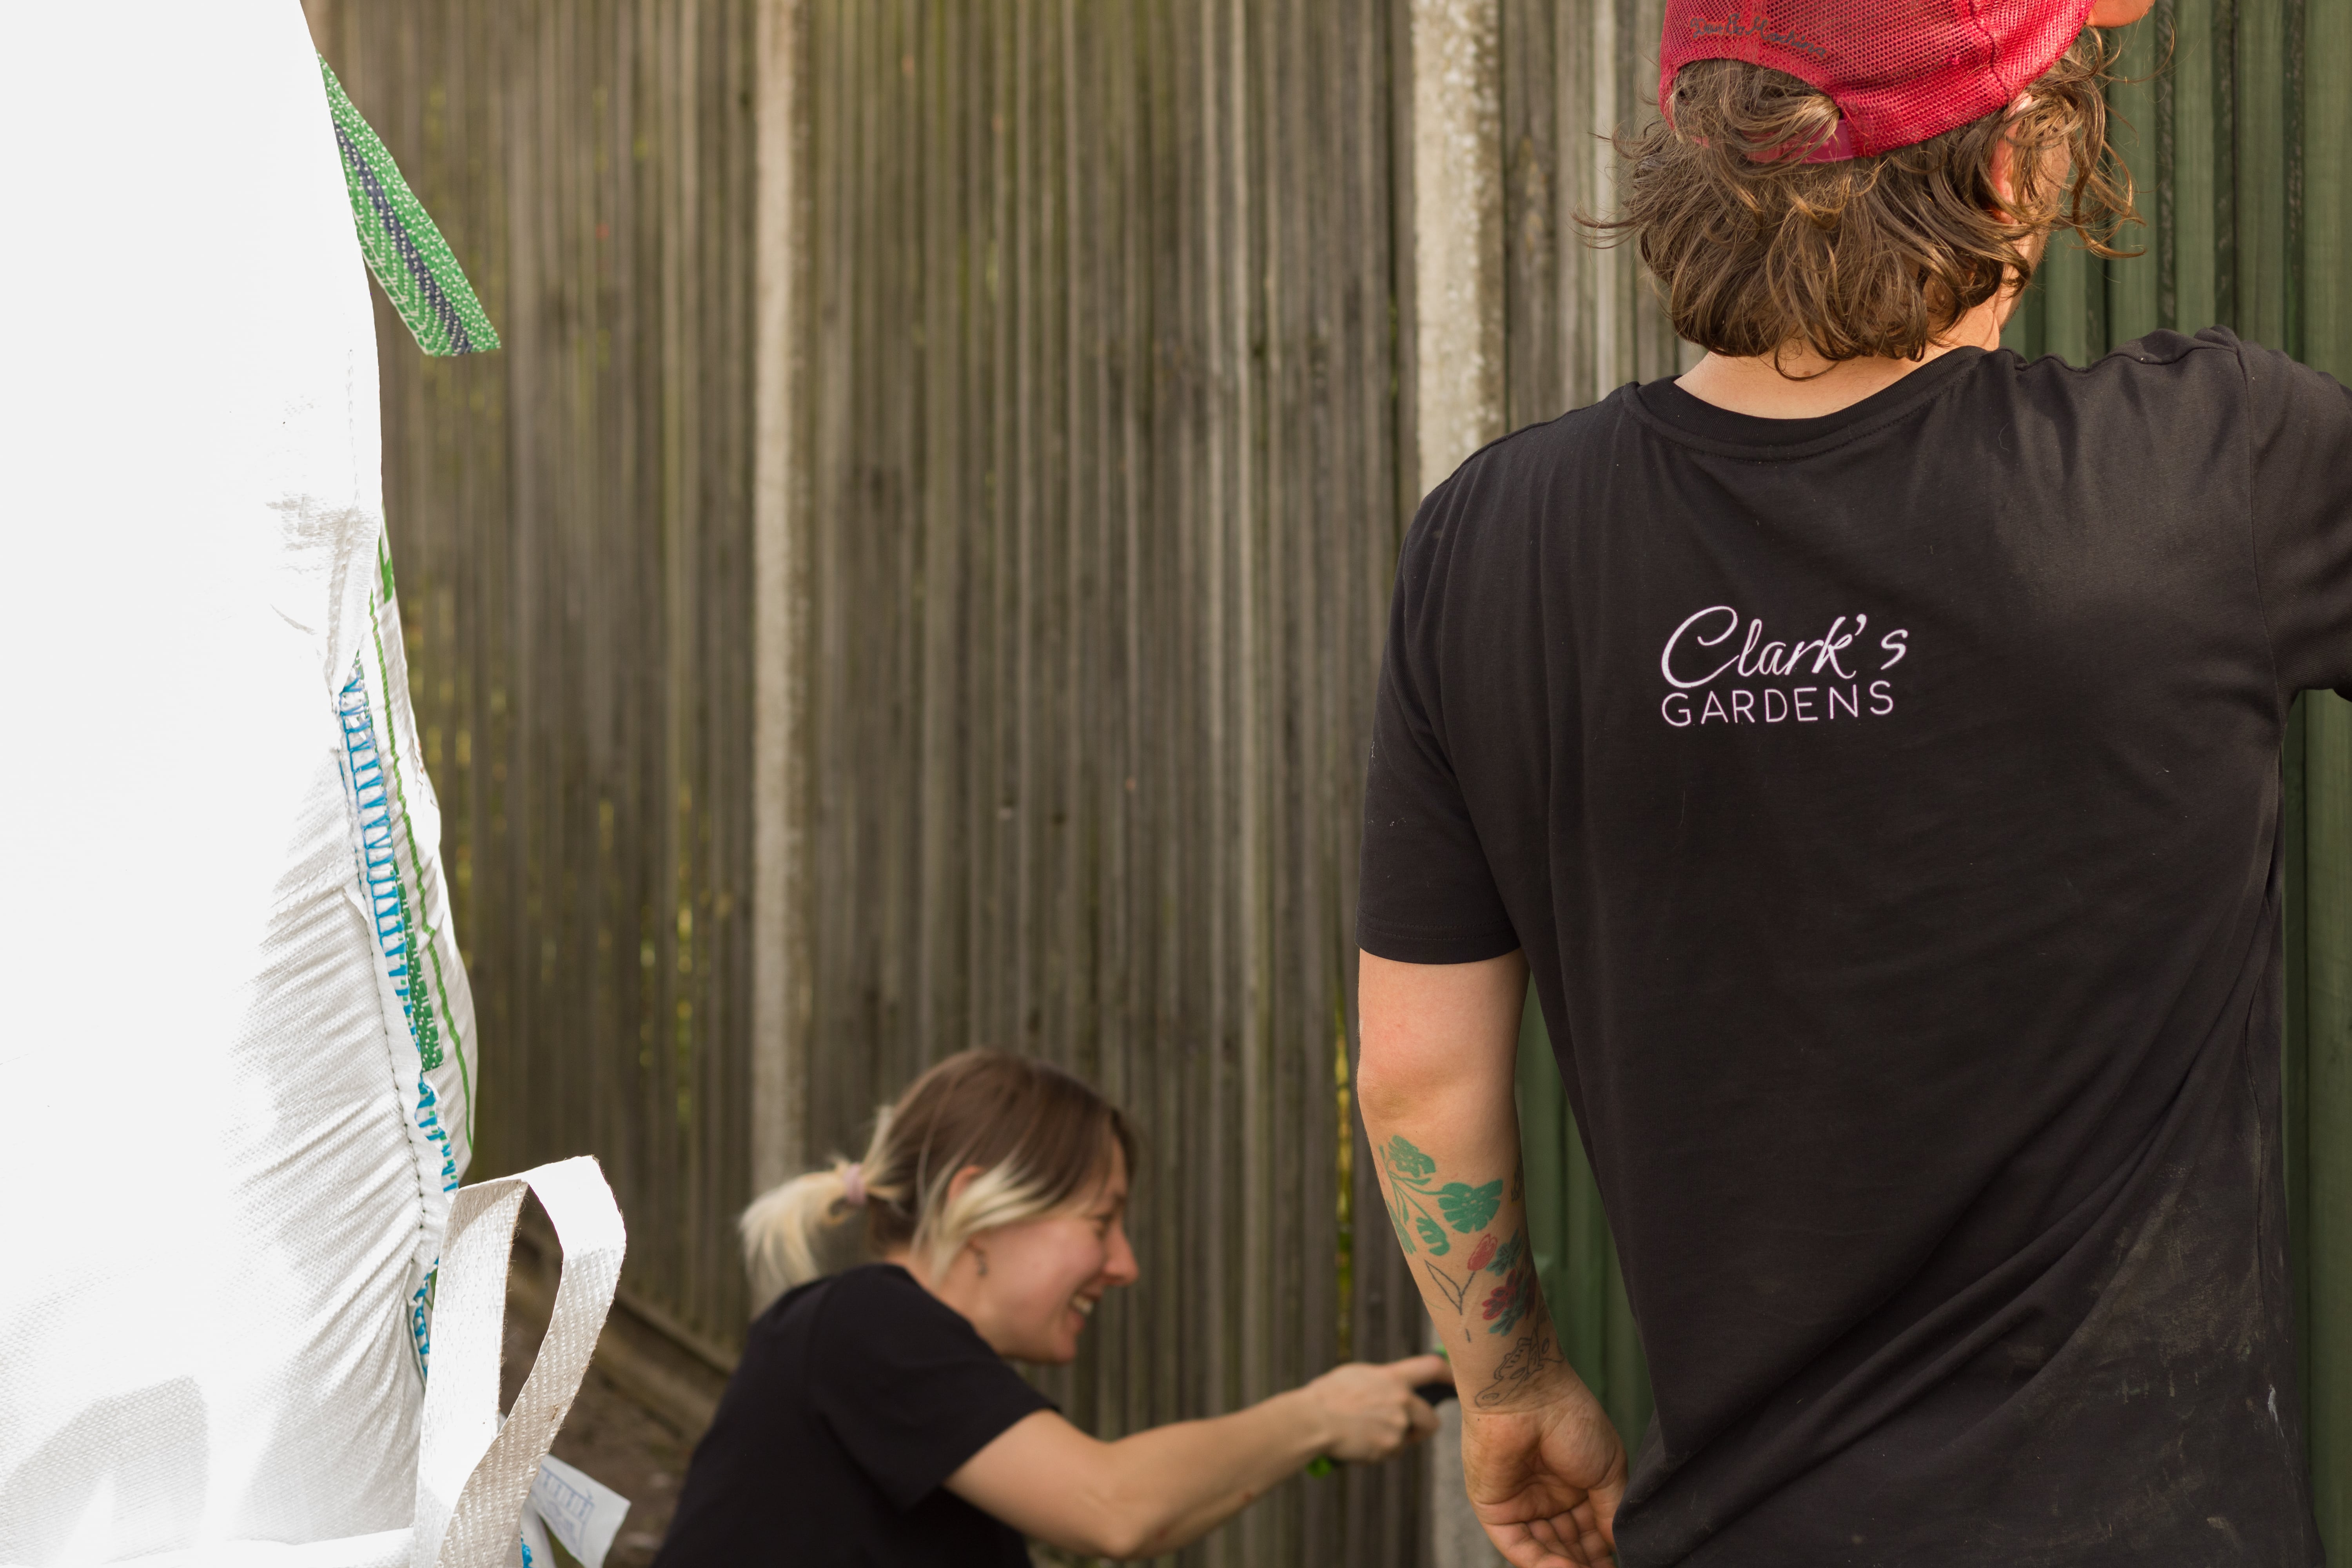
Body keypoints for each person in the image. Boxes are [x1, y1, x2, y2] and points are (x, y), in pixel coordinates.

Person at [1354, 0, 2342, 1563]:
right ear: (2021, 163)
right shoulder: (2212, 468)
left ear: (1692, 148)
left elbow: (1418, 1074)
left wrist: (1516, 1381)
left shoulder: (1492, 542)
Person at [652, 1049, 1445, 1566]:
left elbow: (1138, 1514)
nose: (1125, 1263)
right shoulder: (863, 1322)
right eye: (1102, 1220)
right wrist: (1319, 1413)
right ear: (978, 1205)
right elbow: (1114, 1507)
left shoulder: (902, 1369)